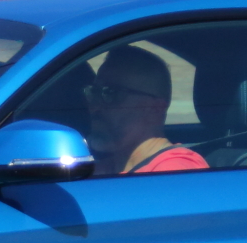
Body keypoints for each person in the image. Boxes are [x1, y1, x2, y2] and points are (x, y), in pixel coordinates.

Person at [83, 46, 207, 175]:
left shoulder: (174, 172)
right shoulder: (96, 172)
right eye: (93, 92)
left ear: (155, 108)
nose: (95, 106)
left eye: (111, 93)